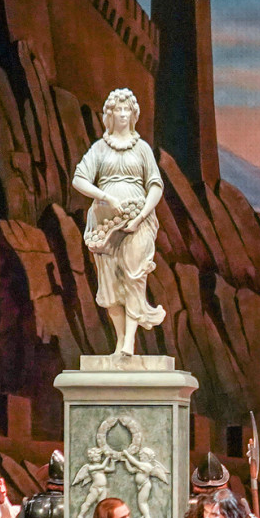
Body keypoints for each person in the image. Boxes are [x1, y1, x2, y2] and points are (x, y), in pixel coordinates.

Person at [72, 88, 166, 357]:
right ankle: (120, 339)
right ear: (109, 115)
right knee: (110, 283)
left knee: (134, 276)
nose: (123, 114)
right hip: (104, 223)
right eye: (118, 110)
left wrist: (141, 216)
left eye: (127, 110)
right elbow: (79, 179)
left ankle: (129, 342)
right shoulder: (99, 149)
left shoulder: (142, 149)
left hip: (137, 221)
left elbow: (155, 185)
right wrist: (105, 197)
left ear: (133, 115)